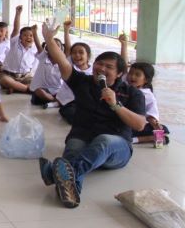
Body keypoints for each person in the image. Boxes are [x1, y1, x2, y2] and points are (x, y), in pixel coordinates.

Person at [38, 21, 147, 209]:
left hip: (116, 148)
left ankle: (56, 174)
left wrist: (116, 105)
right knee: (72, 147)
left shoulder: (132, 93)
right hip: (84, 138)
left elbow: (139, 125)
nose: (101, 69)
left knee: (104, 141)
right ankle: (72, 191)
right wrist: (48, 38)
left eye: (109, 67)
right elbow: (64, 63)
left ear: (120, 73)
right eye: (99, 64)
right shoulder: (83, 82)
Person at [0, 7, 38, 94]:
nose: (28, 37)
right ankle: (27, 90)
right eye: (25, 35)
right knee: (5, 80)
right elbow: (16, 29)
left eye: (31, 35)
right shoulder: (15, 43)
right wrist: (18, 14)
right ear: (20, 38)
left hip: (25, 77)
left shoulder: (35, 49)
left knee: (37, 83)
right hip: (9, 75)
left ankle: (15, 88)